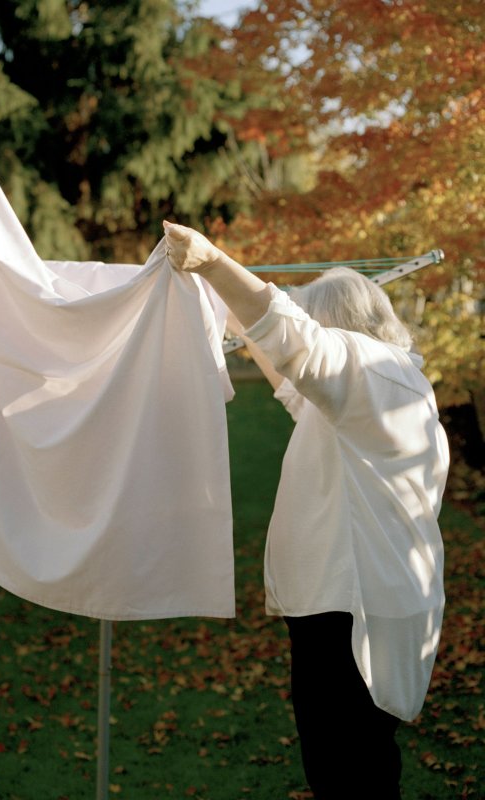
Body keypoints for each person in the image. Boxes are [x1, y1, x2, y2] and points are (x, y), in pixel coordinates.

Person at [163, 221, 448, 800]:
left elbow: (298, 344)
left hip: (353, 613)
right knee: (352, 764)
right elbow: (290, 377)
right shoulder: (381, 389)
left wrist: (214, 261)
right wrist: (225, 301)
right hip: (356, 606)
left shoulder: (370, 370)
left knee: (349, 772)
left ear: (339, 327)